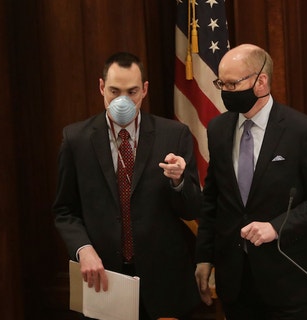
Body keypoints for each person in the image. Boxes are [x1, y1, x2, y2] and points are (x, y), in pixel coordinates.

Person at [194, 43, 307, 319]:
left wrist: (276, 227)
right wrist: (204, 256)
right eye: (221, 84)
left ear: (261, 81)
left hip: (288, 279)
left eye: (232, 84)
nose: (225, 92)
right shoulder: (218, 129)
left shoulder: (302, 130)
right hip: (235, 279)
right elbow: (213, 199)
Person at [53, 52, 201, 319]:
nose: (123, 100)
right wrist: (83, 250)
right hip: (104, 278)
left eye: (132, 91)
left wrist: (179, 181)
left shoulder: (173, 135)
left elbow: (191, 209)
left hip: (163, 281)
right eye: (114, 91)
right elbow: (64, 210)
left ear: (144, 90)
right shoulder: (76, 140)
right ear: (101, 87)